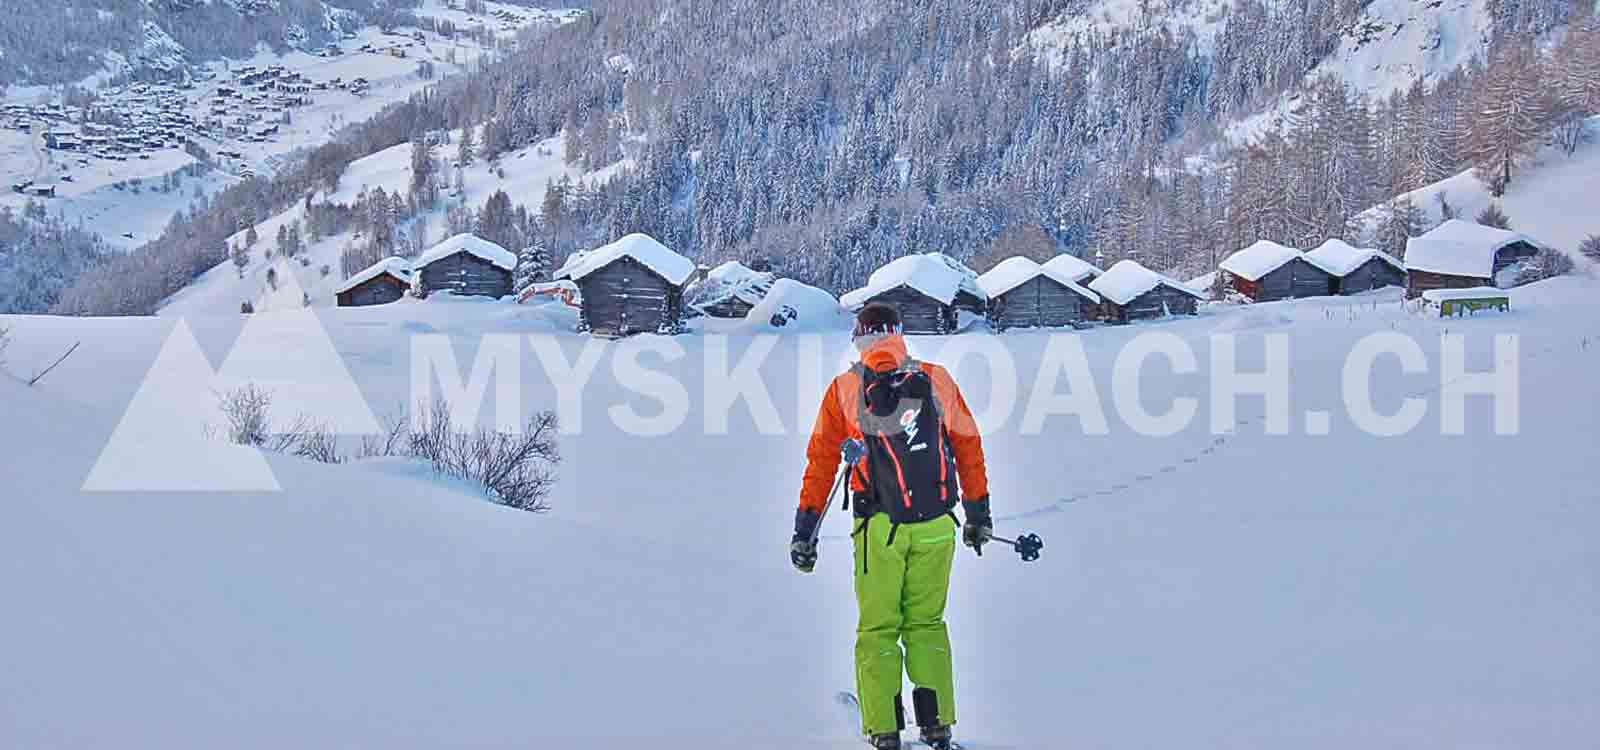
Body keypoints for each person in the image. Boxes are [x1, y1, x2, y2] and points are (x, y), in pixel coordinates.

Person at [790, 302, 992, 750]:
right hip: (937, 525)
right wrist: (978, 513)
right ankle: (936, 725)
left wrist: (805, 527)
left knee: (879, 628)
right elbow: (968, 445)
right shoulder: (936, 378)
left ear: (859, 340)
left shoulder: (845, 389)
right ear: (900, 335)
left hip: (879, 530)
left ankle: (884, 729)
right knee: (927, 624)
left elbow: (822, 462)